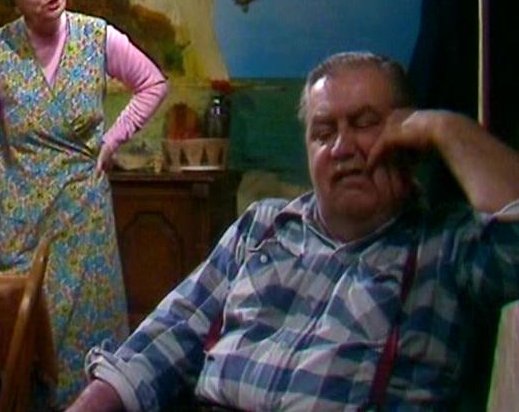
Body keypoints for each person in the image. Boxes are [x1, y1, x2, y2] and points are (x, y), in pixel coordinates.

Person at [67, 51, 519, 411]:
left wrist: (445, 127)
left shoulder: (447, 249)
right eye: (324, 132)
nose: (342, 148)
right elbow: (159, 344)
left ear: (410, 138)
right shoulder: (263, 228)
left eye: (365, 124)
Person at [0, 0, 168, 407]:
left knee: (86, 368)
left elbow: (152, 83)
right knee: (19, 366)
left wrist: (113, 138)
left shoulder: (96, 37)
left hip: (85, 230)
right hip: (20, 234)